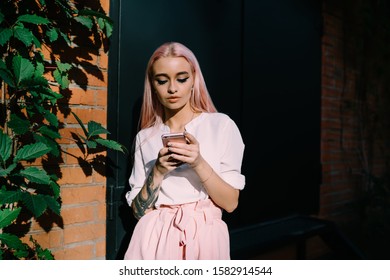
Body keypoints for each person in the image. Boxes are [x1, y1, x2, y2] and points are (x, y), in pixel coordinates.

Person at [124, 42, 245, 260]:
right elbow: (139, 212)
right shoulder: (145, 137)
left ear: (194, 81)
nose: (172, 89)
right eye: (162, 80)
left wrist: (198, 162)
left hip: (204, 237)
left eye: (181, 78)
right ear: (152, 85)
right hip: (153, 238)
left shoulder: (221, 125)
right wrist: (158, 171)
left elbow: (231, 203)